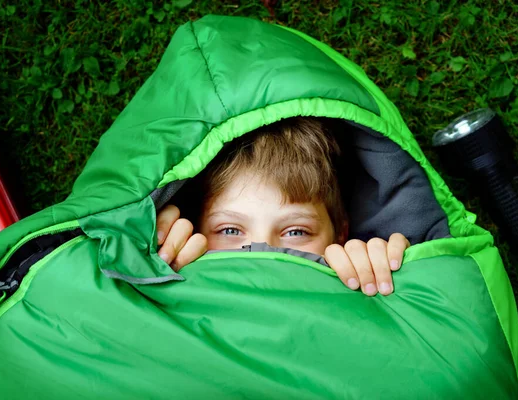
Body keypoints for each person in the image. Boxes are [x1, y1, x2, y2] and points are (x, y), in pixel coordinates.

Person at [155, 117, 410, 296]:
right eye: (230, 230)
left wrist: (399, 274)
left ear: (340, 235)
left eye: (296, 232)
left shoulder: (365, 276)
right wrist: (148, 259)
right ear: (195, 230)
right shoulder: (171, 262)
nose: (264, 253)